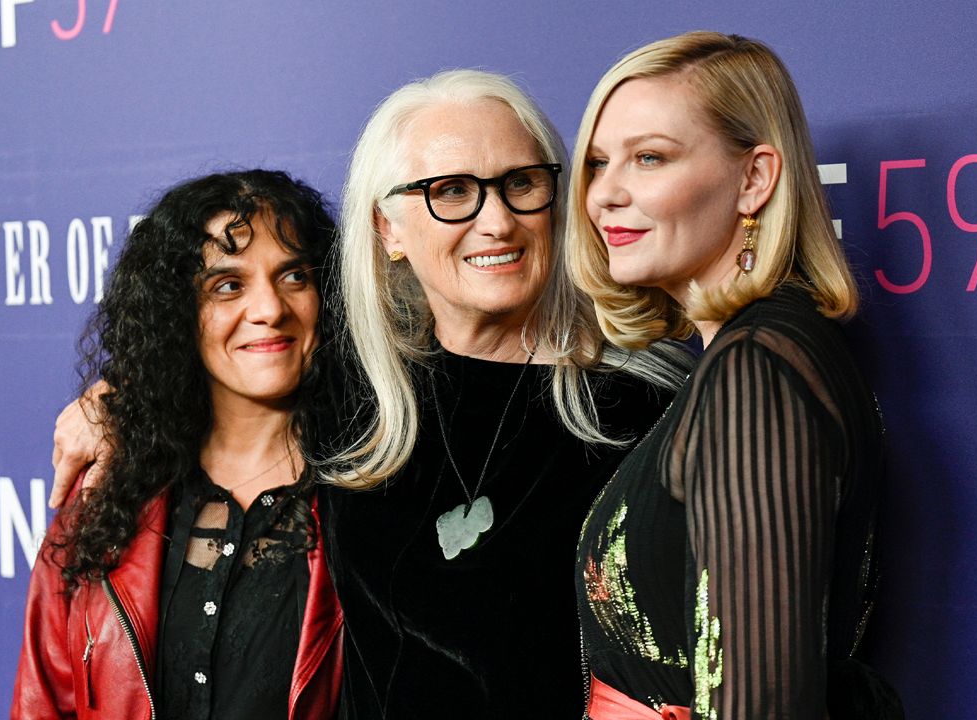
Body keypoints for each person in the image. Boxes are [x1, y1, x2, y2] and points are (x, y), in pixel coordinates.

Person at [319, 69, 690, 718]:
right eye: (453, 191)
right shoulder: (356, 401)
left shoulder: (643, 411)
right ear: (388, 230)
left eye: (521, 183)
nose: (498, 221)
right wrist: (106, 412)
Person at [567, 32, 902, 718]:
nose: (604, 195)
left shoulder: (759, 373)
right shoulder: (747, 357)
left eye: (649, 158)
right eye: (599, 163)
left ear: (755, 179)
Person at [13, 170, 343, 720]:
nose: (268, 308)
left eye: (294, 276)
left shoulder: (377, 493)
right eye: (228, 285)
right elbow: (43, 703)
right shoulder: (103, 498)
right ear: (176, 313)